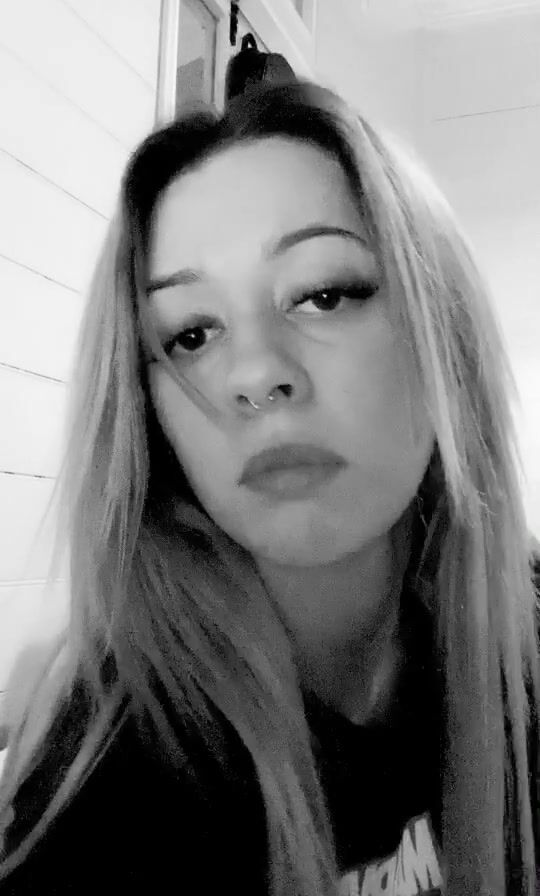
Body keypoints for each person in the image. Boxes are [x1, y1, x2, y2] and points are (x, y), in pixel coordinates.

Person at [0, 82, 537, 896]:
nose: (254, 375)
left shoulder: (522, 634)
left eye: (324, 294)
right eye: (191, 334)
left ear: (445, 336)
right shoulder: (113, 760)